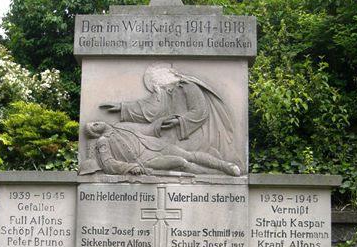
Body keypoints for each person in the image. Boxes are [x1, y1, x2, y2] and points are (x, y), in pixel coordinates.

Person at [99, 63, 239, 165]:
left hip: (190, 133)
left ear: (164, 78)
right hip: (170, 131)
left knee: (158, 148)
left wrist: (178, 121)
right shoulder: (166, 92)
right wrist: (122, 107)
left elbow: (200, 111)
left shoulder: (187, 86)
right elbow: (149, 108)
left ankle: (214, 165)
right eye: (154, 83)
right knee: (125, 129)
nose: (155, 86)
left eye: (156, 82)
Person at [79, 121, 241, 177]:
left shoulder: (120, 126)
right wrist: (130, 167)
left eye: (94, 122)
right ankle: (216, 174)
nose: (95, 123)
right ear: (95, 132)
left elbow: (145, 129)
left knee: (189, 154)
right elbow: (108, 164)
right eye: (93, 126)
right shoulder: (103, 141)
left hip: (155, 145)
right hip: (146, 161)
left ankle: (225, 166)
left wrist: (160, 123)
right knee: (182, 162)